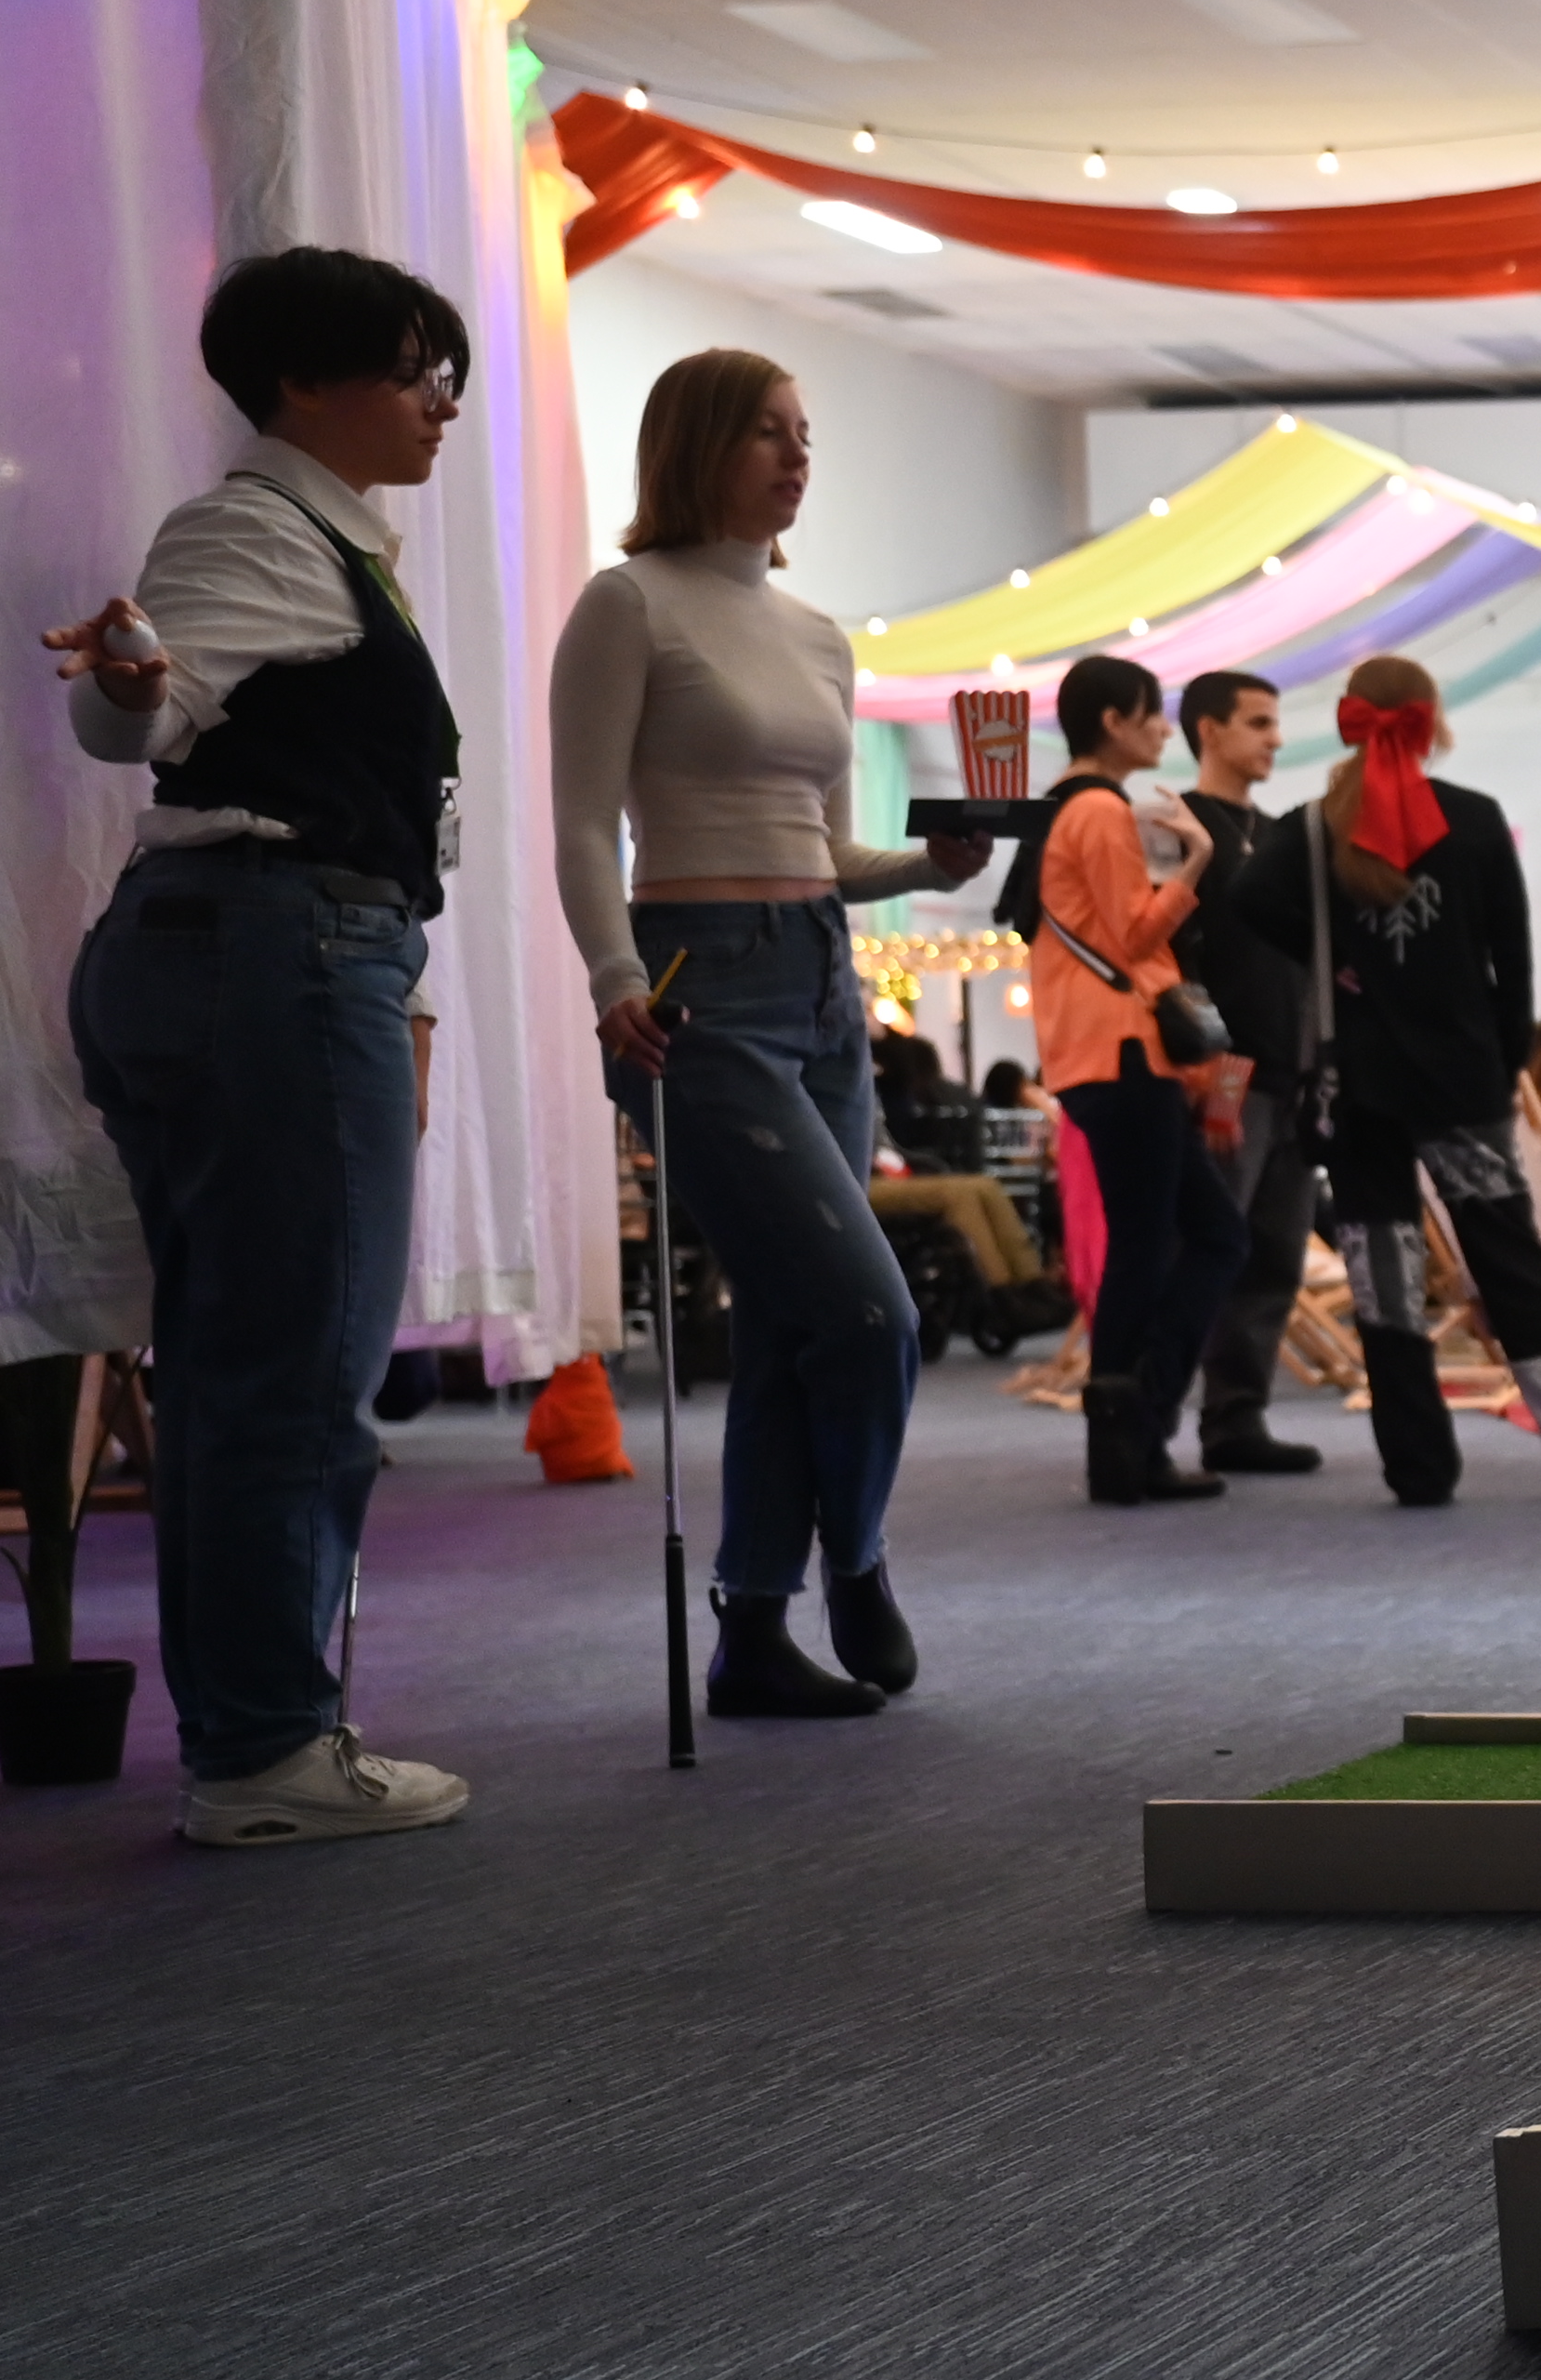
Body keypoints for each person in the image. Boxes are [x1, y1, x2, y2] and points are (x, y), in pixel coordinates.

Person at [39, 247, 480, 1842]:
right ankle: (265, 1748)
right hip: (273, 947)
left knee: (244, 1367)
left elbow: (158, 701)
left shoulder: (326, 541)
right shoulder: (259, 525)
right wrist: (136, 682)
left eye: (450, 374)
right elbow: (144, 707)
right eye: (414, 368)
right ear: (303, 379)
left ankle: (254, 1740)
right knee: (287, 1370)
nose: (440, 403)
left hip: (240, 950)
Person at [560, 346, 997, 1718]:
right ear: (697, 445)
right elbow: (583, 819)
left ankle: (753, 1628)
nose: (795, 455)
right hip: (698, 988)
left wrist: (923, 873)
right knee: (868, 1314)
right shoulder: (629, 603)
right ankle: (851, 1561)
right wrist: (611, 979)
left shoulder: (816, 633)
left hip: (820, 974)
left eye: (804, 433)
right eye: (765, 432)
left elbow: (812, 844)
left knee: (796, 1325)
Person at [1304, 656, 1541, 1505]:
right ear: (1431, 722)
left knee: (1382, 1273)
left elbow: (1247, 921)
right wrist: (1503, 1062)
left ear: (1353, 719)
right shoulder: (1473, 822)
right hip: (1460, 1080)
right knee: (1511, 1258)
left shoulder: (1309, 831)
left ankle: (1417, 1466)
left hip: (1354, 1087)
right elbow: (1513, 962)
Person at [1007, 654, 1245, 1508]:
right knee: (1170, 1245)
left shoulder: (1058, 810)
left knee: (1189, 1239)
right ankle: (1129, 1430)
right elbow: (1132, 938)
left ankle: (1136, 1428)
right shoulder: (1100, 810)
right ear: (1112, 719)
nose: (1159, 729)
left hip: (1096, 1054)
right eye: (1151, 714)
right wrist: (1195, 864)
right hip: (1123, 1054)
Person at [1166, 668, 1328, 1478]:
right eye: (1258, 722)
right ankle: (1153, 1418)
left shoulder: (1281, 833)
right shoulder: (1178, 827)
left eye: (1275, 722)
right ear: (1209, 732)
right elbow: (1169, 955)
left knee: (1276, 1255)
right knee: (1213, 1250)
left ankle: (1237, 1418)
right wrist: (1209, 1067)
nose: (1274, 737)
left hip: (1293, 1073)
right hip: (1225, 1069)